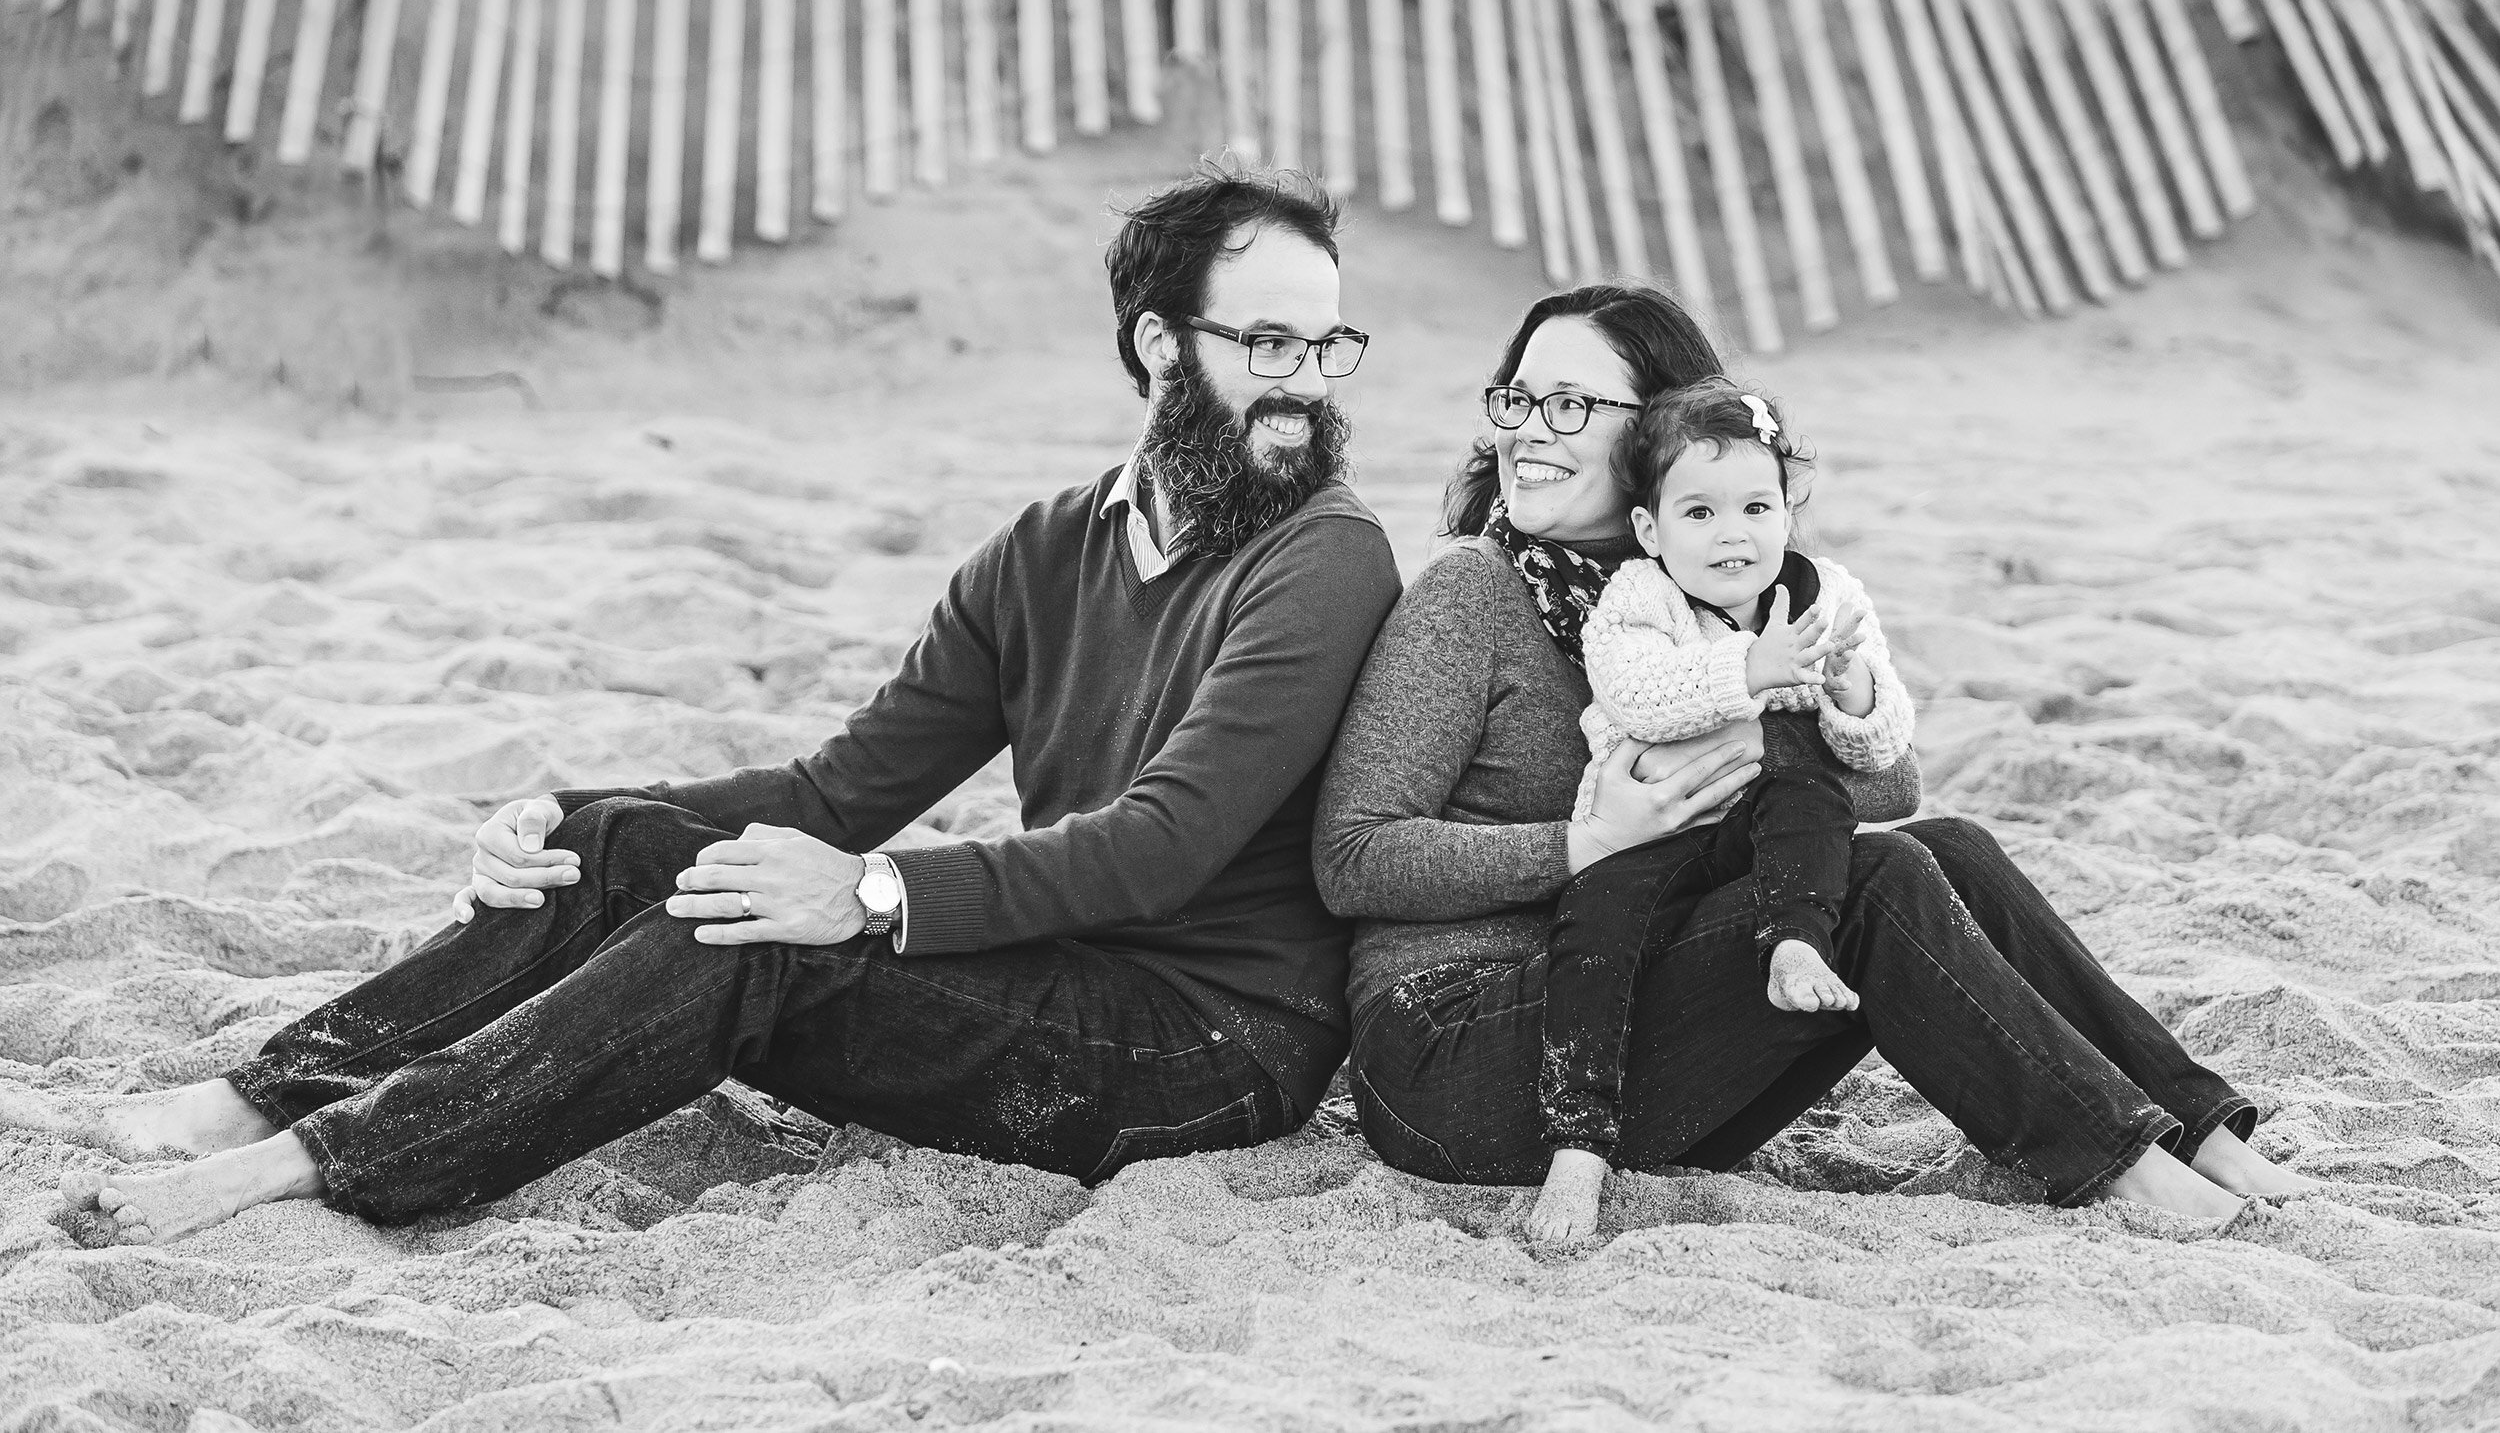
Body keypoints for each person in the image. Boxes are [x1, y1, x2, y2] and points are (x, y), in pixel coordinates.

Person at [22, 164, 1404, 1246]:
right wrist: (568, 817)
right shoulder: (1044, 549)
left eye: (1325, 343)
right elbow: (831, 793)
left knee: (760, 930)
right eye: (1266, 341)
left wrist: (864, 896)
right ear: (1161, 343)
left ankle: (319, 1159)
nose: (1304, 382)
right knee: (628, 847)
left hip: (1209, 1041)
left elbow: (1161, 841)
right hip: (1052, 966)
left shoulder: (1324, 553)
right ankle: (266, 1089)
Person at [1314, 283, 2318, 1247]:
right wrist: (1586, 841)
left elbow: (1892, 783)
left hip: (1640, 1029)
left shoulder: (1719, 594)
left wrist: (1764, 742)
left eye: (1570, 402)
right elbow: (1354, 854)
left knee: (1949, 849)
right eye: (1518, 396)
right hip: (1457, 1055)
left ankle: (2194, 1124)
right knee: (1878, 882)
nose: (1528, 427)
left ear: (1666, 429)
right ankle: (2121, 1162)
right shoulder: (1470, 597)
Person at [1532, 378, 1915, 1240]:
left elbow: (1882, 747)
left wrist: (1851, 688)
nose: (1731, 533)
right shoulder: (1639, 598)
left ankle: (1793, 941)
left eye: (1754, 506)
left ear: (1787, 512)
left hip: (1762, 841)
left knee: (1807, 781)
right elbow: (1634, 694)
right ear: (1649, 529)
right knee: (1593, 925)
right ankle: (1579, 1141)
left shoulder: (1830, 597)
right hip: (1655, 832)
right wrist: (1751, 669)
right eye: (1698, 513)